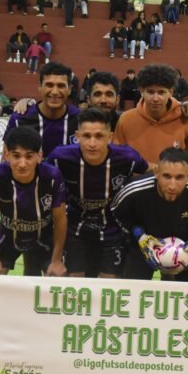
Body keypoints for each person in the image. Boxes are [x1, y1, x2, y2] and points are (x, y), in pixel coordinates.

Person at [47, 108, 149, 278]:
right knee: (75, 283)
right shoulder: (60, 157)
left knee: (108, 287)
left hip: (113, 229)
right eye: (86, 136)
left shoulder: (128, 157)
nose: (92, 143)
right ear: (77, 136)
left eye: (99, 136)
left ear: (110, 137)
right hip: (74, 229)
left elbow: (150, 173)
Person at [111, 147, 188, 282]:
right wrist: (140, 236)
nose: (172, 185)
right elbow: (118, 212)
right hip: (144, 244)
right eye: (166, 176)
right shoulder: (135, 190)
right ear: (156, 172)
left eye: (179, 177)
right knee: (133, 291)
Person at [0, 126, 67, 276]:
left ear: (39, 156)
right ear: (6, 155)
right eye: (16, 156)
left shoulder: (52, 176)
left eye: (29, 156)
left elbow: (60, 219)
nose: (22, 164)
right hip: (8, 236)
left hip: (43, 236)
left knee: (57, 275)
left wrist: (57, 260)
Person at [113, 64, 188, 176]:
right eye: (150, 92)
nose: (155, 98)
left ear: (171, 92)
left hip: (174, 189)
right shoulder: (126, 119)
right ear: (141, 91)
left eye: (161, 92)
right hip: (136, 188)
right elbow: (118, 159)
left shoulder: (186, 117)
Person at [5, 61, 80, 158]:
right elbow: (6, 159)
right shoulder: (19, 119)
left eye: (61, 86)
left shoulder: (80, 119)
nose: (54, 92)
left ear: (69, 89)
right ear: (40, 87)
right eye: (49, 85)